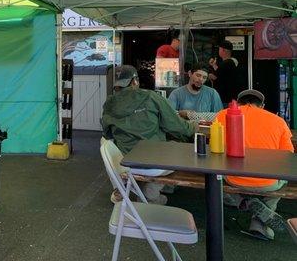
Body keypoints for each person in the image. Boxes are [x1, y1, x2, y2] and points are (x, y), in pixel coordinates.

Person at [101, 65, 197, 204]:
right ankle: (151, 192)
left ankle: (122, 186)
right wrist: (194, 126)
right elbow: (177, 126)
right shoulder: (150, 96)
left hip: (125, 160)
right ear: (134, 81)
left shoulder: (109, 104)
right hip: (154, 162)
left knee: (104, 142)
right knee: (180, 149)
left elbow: (107, 133)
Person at [215, 89, 294, 240]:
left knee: (219, 173)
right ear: (262, 105)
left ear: (237, 103)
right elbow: (288, 156)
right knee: (282, 178)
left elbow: (215, 148)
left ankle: (244, 201)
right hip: (267, 181)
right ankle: (258, 223)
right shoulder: (278, 121)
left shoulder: (223, 114)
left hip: (234, 178)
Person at [208, 40, 238, 106]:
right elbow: (220, 73)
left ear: (223, 50)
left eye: (219, 49)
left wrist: (207, 75)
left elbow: (215, 76)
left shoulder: (226, 63)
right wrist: (213, 65)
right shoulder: (229, 63)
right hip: (229, 98)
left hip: (224, 99)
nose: (218, 51)